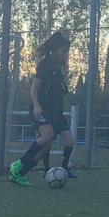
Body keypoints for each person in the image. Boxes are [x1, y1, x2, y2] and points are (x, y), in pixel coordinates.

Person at [9, 32, 76, 186]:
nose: (66, 54)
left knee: (60, 143)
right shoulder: (44, 66)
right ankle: (18, 164)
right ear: (55, 50)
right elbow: (34, 89)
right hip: (42, 109)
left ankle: (20, 173)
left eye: (67, 51)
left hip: (56, 111)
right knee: (47, 136)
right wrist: (37, 105)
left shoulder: (58, 67)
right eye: (63, 51)